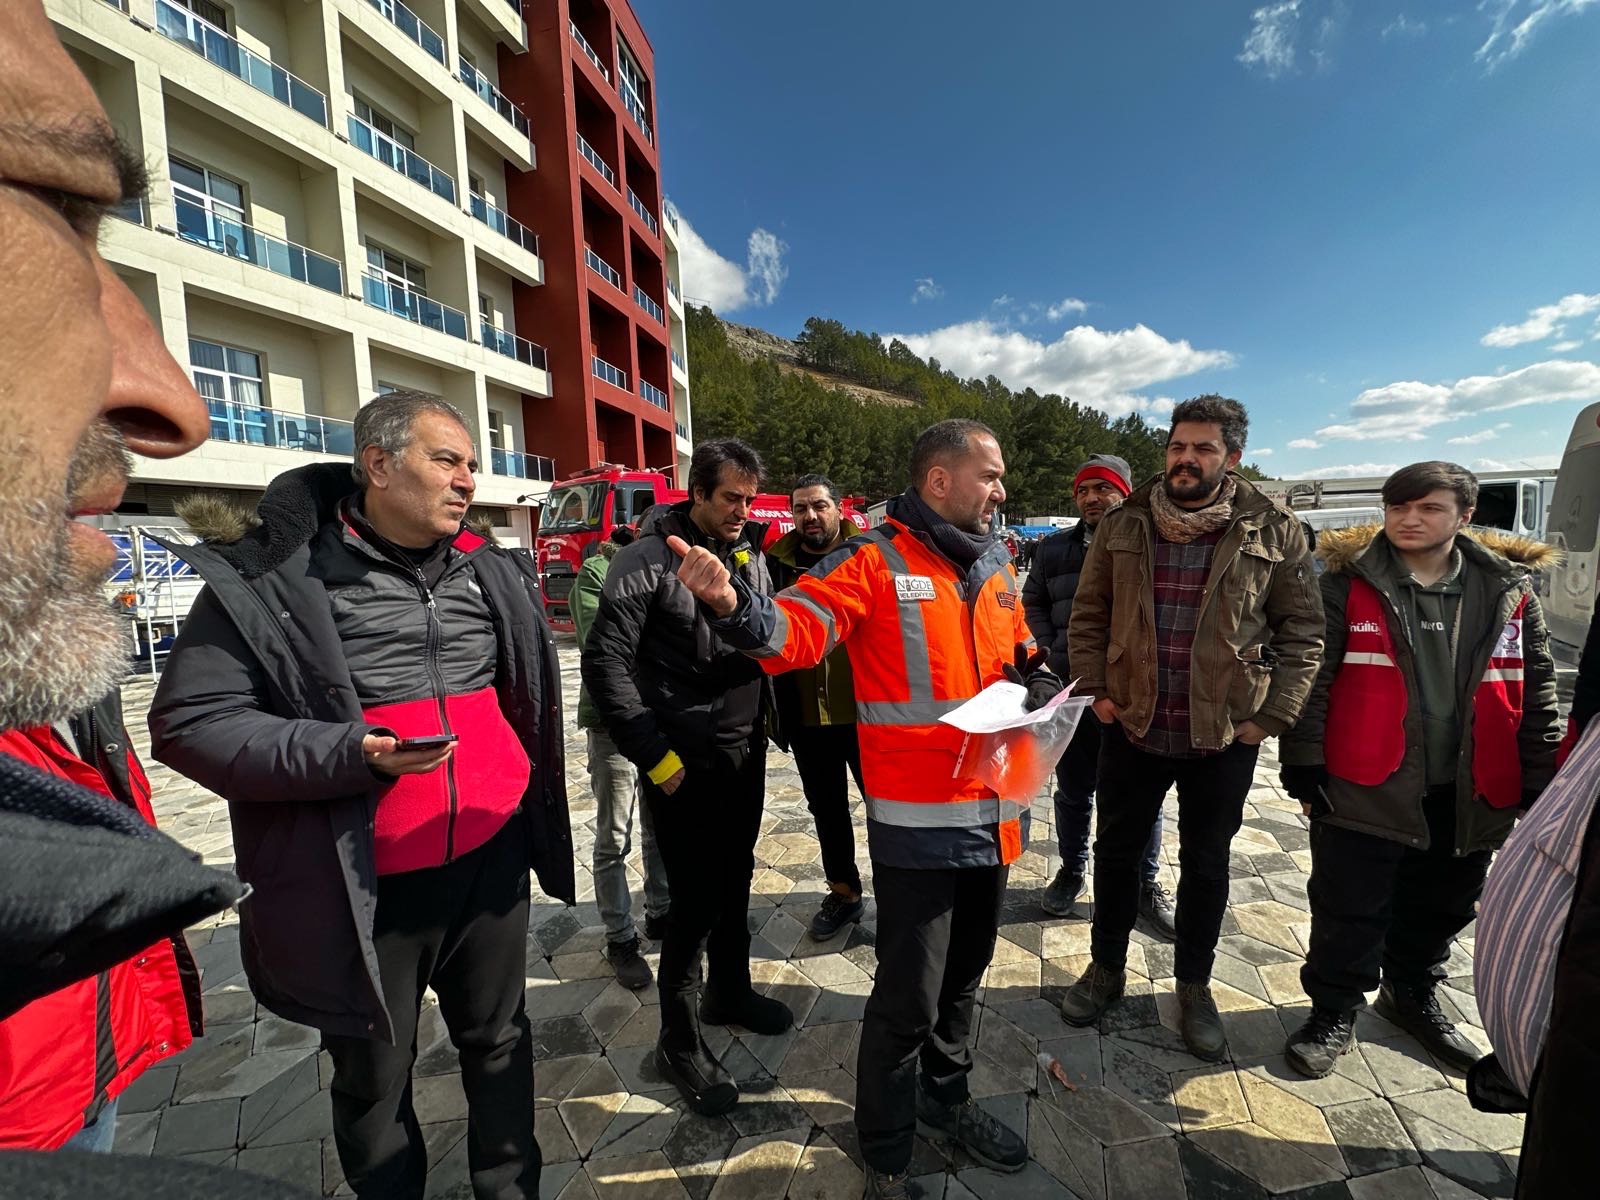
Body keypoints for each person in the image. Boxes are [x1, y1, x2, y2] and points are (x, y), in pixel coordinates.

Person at [148, 392, 573, 1200]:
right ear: (378, 465)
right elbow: (190, 722)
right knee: (377, 1080)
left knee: (500, 1043)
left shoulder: (488, 564)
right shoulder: (273, 578)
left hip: (492, 859)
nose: (467, 480)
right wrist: (346, 752)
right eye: (447, 460)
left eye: (472, 465)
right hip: (362, 887)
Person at [671, 420, 1058, 1200]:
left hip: (996, 818)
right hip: (918, 831)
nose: (1002, 490)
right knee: (908, 1000)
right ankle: (884, 1153)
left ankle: (947, 1102)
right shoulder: (871, 560)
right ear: (940, 481)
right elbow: (796, 632)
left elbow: (1021, 646)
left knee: (964, 981)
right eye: (990, 474)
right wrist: (733, 607)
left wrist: (1043, 682)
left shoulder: (996, 562)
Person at [0, 0, 242, 1164]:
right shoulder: (263, 592)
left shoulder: (48, 652)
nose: (172, 400)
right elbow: (205, 727)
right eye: (57, 203)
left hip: (79, 1076)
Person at [1061, 396, 1323, 1062]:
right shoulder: (1125, 522)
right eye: (1178, 447)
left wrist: (1270, 717)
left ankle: (1194, 985)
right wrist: (1096, 694)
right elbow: (1088, 614)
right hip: (1134, 723)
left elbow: (1303, 632)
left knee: (1206, 865)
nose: (1186, 459)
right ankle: (1106, 967)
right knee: (1116, 853)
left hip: (1222, 734)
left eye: (1203, 449)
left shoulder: (1274, 530)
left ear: (1231, 457)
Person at [1279, 462, 1559, 1078]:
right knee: (1348, 906)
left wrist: (1544, 779)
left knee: (1445, 902)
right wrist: (1304, 762)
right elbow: (1313, 681)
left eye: (1428, 508)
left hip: (1470, 786)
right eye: (1397, 506)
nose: (1409, 519)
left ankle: (1411, 995)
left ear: (1465, 515)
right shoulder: (1344, 584)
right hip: (1366, 783)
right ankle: (1333, 1011)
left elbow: (1534, 691)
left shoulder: (1508, 592)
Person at [579, 439, 791, 1118]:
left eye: (749, 499)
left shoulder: (751, 553)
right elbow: (605, 665)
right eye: (730, 497)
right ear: (695, 492)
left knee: (736, 881)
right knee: (693, 902)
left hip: (742, 753)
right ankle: (677, 1039)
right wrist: (659, 763)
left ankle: (729, 991)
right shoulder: (644, 561)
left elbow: (765, 637)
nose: (741, 510)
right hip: (681, 765)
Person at [1023, 454, 1175, 935]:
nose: (1093, 498)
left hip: (1134, 695)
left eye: (1104, 489)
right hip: (1073, 693)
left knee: (1140, 797)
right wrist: (1054, 649)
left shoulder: (1154, 543)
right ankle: (1071, 869)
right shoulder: (1051, 551)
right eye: (1084, 490)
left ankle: (1145, 883)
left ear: (1125, 492)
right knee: (1073, 791)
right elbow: (1033, 601)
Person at [768, 474, 869, 940]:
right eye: (801, 509)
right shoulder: (774, 565)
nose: (811, 516)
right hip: (807, 713)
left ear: (839, 509)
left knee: (887, 808)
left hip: (869, 712)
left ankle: (905, 892)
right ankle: (845, 893)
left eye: (820, 506)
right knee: (827, 810)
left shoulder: (866, 554)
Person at [571, 525, 669, 990]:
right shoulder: (597, 572)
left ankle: (661, 912)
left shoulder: (666, 569)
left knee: (658, 825)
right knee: (614, 836)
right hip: (613, 725)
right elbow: (606, 644)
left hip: (660, 723)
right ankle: (620, 938)